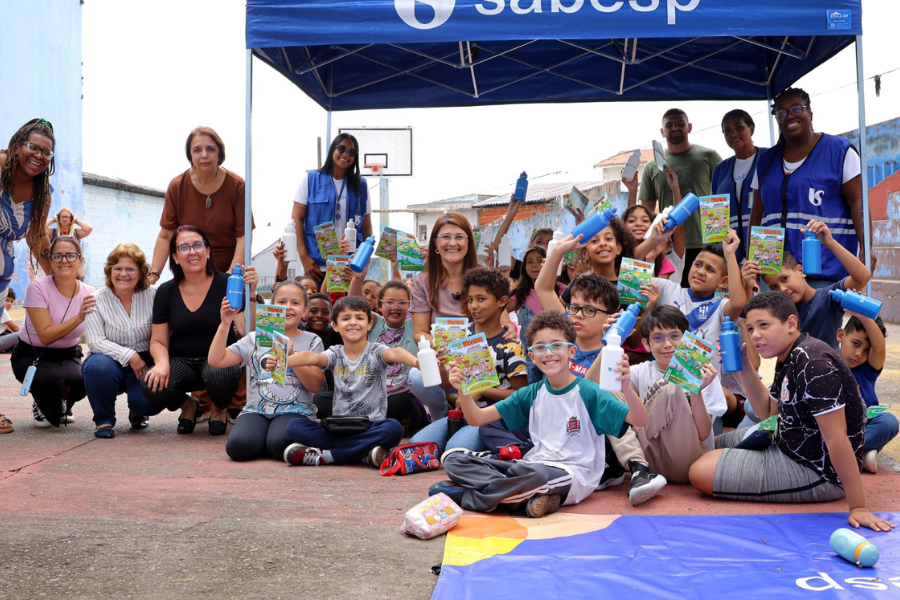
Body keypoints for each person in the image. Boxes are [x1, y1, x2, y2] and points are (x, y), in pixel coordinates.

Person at [689, 292, 894, 533]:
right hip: (785, 440)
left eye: (764, 325)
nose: (755, 335)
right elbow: (768, 411)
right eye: (752, 328)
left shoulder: (815, 364)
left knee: (698, 471)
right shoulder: (789, 354)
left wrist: (858, 506)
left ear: (791, 323)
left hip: (815, 471)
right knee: (703, 446)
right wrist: (744, 364)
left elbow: (836, 439)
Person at [429, 311, 648, 518]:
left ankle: (470, 496)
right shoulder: (531, 393)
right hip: (531, 465)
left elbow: (640, 420)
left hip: (572, 474)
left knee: (535, 477)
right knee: (452, 458)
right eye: (540, 348)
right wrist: (463, 389)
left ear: (571, 351)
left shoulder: (588, 391)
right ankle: (526, 497)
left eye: (556, 346)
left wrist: (626, 387)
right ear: (531, 356)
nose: (549, 353)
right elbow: (477, 419)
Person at [536, 246, 667, 506]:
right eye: (574, 308)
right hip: (558, 431)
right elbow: (542, 287)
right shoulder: (561, 345)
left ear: (612, 316)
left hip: (595, 435)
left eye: (590, 310)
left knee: (607, 384)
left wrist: (608, 346)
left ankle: (637, 468)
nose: (577, 316)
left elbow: (588, 390)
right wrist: (560, 248)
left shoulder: (611, 352)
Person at [148, 126, 253, 418]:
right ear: (190, 155)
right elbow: (166, 233)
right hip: (191, 265)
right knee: (194, 330)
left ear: (219, 152)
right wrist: (154, 274)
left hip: (229, 267)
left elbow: (243, 236)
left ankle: (231, 403)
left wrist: (231, 278)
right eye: (197, 149)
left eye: (210, 149)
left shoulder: (237, 184)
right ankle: (201, 404)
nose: (204, 154)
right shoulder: (177, 185)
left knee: (232, 330)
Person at [279, 296, 419, 467]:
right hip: (338, 427)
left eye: (359, 318)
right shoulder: (335, 353)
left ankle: (328, 456)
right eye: (346, 318)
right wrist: (284, 361)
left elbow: (395, 353)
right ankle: (362, 453)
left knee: (393, 429)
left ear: (369, 325)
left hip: (371, 426)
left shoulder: (376, 350)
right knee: (294, 426)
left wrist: (417, 362)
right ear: (335, 326)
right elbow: (312, 357)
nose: (353, 323)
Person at [586, 307, 721, 483]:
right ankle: (638, 467)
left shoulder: (703, 373)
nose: (667, 344)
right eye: (658, 338)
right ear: (646, 344)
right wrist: (610, 345)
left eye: (674, 336)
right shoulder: (641, 371)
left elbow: (703, 434)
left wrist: (695, 390)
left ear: (687, 339)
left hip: (687, 459)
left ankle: (625, 458)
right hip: (648, 457)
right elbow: (590, 388)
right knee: (611, 385)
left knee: (670, 387)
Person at [140, 226, 251, 436]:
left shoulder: (228, 283)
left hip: (219, 360)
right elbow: (158, 341)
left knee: (222, 370)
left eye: (197, 245)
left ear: (208, 251)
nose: (192, 251)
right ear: (174, 256)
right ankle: (188, 406)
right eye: (184, 247)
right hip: (181, 362)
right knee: (150, 382)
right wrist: (162, 364)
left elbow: (245, 329)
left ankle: (219, 408)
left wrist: (251, 293)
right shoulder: (166, 291)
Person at [750, 88, 866, 287]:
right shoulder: (765, 161)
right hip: (773, 273)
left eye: (796, 109)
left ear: (809, 112)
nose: (789, 116)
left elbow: (858, 202)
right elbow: (757, 214)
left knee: (818, 318)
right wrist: (751, 261)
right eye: (782, 113)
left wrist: (866, 248)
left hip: (822, 269)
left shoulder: (839, 151)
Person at [410, 267, 527, 453]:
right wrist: (441, 364)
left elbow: (520, 396)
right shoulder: (460, 336)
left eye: (481, 299)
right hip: (461, 414)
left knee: (456, 449)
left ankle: (495, 450)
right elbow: (446, 384)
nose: (473, 306)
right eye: (470, 299)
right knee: (416, 445)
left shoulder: (510, 346)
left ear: (502, 301)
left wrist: (480, 390)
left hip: (492, 420)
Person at [209, 281, 325, 462]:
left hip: (296, 410)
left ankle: (273, 439)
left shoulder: (312, 340)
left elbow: (315, 385)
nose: (288, 307)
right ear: (271, 306)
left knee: (280, 444)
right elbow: (216, 360)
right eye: (281, 302)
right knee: (238, 447)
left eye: (295, 303)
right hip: (257, 410)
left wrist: (292, 358)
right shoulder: (256, 338)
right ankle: (263, 438)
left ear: (304, 311)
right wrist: (225, 323)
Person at [11, 235, 95, 428]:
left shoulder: (89, 292)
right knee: (50, 379)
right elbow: (46, 336)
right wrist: (78, 317)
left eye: (70, 255)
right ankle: (42, 401)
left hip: (68, 353)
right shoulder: (38, 287)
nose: (64, 260)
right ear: (51, 261)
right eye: (57, 256)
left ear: (80, 260)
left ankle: (61, 400)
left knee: (85, 378)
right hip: (32, 353)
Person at [748, 219, 869, 350]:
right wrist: (748, 285)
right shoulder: (780, 313)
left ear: (801, 270)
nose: (782, 289)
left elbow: (862, 278)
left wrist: (830, 243)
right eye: (774, 287)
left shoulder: (828, 297)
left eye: (784, 279)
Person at [82, 244, 161, 438]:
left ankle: (138, 410)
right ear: (110, 272)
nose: (123, 274)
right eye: (117, 268)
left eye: (130, 269)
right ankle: (104, 421)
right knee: (97, 367)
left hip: (146, 358)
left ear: (141, 272)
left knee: (147, 402)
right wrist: (129, 355)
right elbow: (95, 342)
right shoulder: (95, 299)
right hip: (108, 359)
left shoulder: (155, 295)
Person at [636, 108, 723, 286]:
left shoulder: (708, 157)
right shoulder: (652, 167)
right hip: (669, 247)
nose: (675, 128)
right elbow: (646, 212)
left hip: (706, 243)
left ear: (689, 127)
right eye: (669, 125)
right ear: (662, 131)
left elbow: (723, 199)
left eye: (680, 124)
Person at [349, 270, 427, 437]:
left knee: (399, 403)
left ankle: (365, 424)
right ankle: (386, 424)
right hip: (370, 397)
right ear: (380, 304)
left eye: (402, 303)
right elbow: (353, 305)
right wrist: (358, 277)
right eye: (390, 302)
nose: (395, 307)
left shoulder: (416, 326)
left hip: (404, 399)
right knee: (324, 400)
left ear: (410, 306)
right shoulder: (374, 323)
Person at [292, 133, 373, 286]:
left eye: (351, 152)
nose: (345, 154)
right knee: (318, 307)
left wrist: (364, 262)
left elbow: (367, 227)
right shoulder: (310, 179)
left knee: (345, 308)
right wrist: (304, 257)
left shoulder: (360, 185)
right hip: (316, 265)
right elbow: (296, 219)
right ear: (332, 150)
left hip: (349, 266)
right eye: (341, 148)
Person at [0, 118, 54, 306]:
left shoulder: (42, 194)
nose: (39, 155)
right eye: (33, 147)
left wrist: (59, 278)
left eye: (46, 152)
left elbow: (37, 236)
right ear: (16, 148)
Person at [836, 314, 898, 473]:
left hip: (863, 427)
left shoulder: (867, 369)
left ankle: (844, 456)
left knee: (888, 422)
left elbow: (879, 347)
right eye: (856, 344)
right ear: (841, 335)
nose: (859, 354)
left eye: (867, 350)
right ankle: (862, 455)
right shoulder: (826, 363)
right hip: (834, 428)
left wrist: (863, 314)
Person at [711, 110, 764, 262]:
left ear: (751, 129)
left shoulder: (768, 158)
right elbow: (715, 214)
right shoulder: (720, 169)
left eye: (738, 127)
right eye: (728, 131)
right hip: (731, 253)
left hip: (764, 248)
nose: (733, 134)